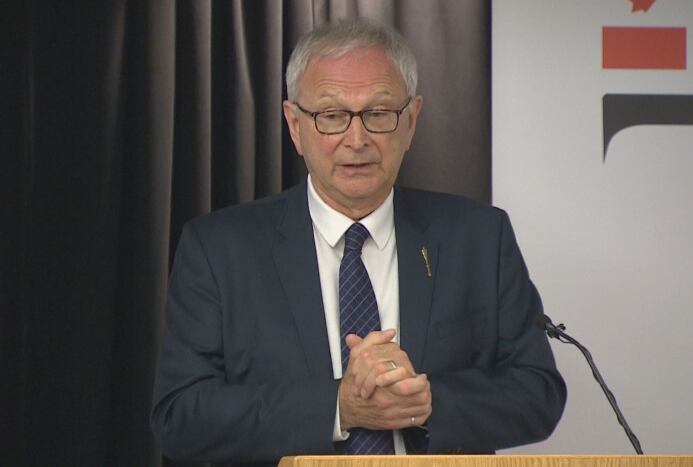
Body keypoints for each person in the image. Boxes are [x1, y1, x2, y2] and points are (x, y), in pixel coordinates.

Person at [151, 18, 566, 466]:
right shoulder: (219, 251)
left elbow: (538, 393)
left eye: (378, 114)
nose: (357, 139)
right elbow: (180, 417)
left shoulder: (478, 238)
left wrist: (425, 402)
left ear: (411, 121)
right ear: (294, 125)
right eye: (332, 116)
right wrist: (338, 407)